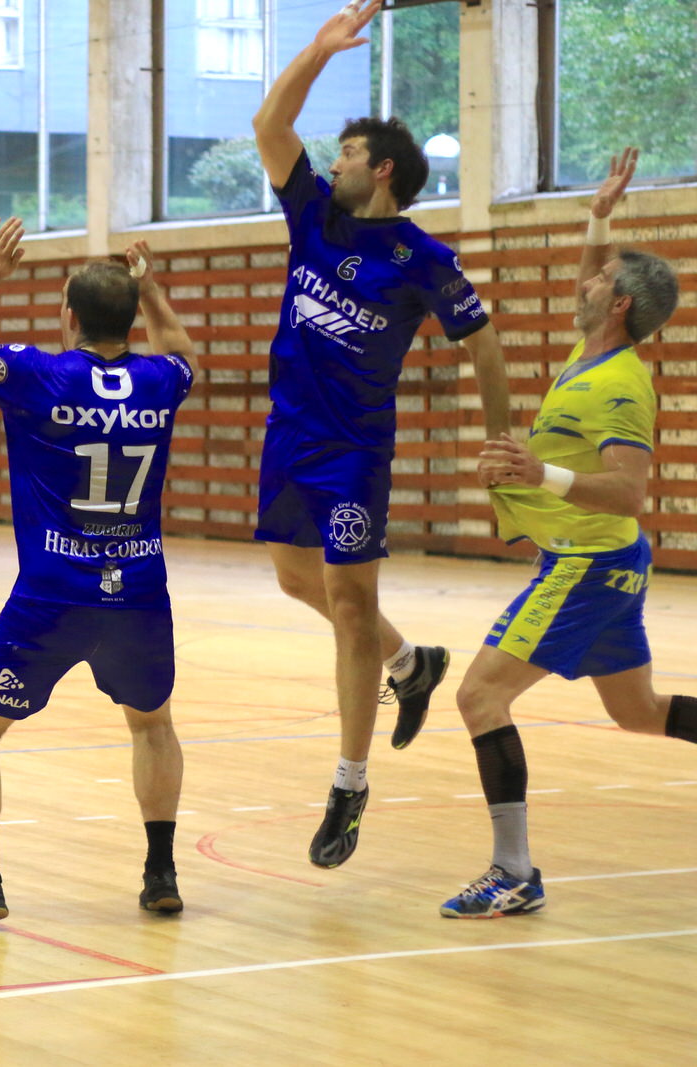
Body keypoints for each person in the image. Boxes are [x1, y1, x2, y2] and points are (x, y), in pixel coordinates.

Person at [250, 0, 512, 868]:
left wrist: (502, 440)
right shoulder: (315, 215)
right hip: (289, 434)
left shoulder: (423, 260)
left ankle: (349, 783)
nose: (335, 160)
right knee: (297, 581)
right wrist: (319, 52)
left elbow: (483, 342)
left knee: (350, 607)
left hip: (355, 451)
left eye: (351, 153)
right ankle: (412, 662)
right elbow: (270, 123)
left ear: (386, 169)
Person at [0, 220, 199, 924]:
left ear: (67, 317)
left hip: (53, 594)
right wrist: (154, 291)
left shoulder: (41, 373)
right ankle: (160, 871)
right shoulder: (160, 381)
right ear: (130, 316)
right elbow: (186, 354)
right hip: (138, 591)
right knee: (152, 723)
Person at [443, 147, 693, 917]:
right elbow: (594, 275)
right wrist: (599, 214)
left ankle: (513, 871)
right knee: (638, 713)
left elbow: (627, 493)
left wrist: (535, 474)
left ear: (617, 304)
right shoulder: (593, 347)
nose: (582, 281)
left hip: (588, 560)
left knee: (480, 696)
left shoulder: (620, 384)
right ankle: (514, 870)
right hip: (606, 564)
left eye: (597, 278)